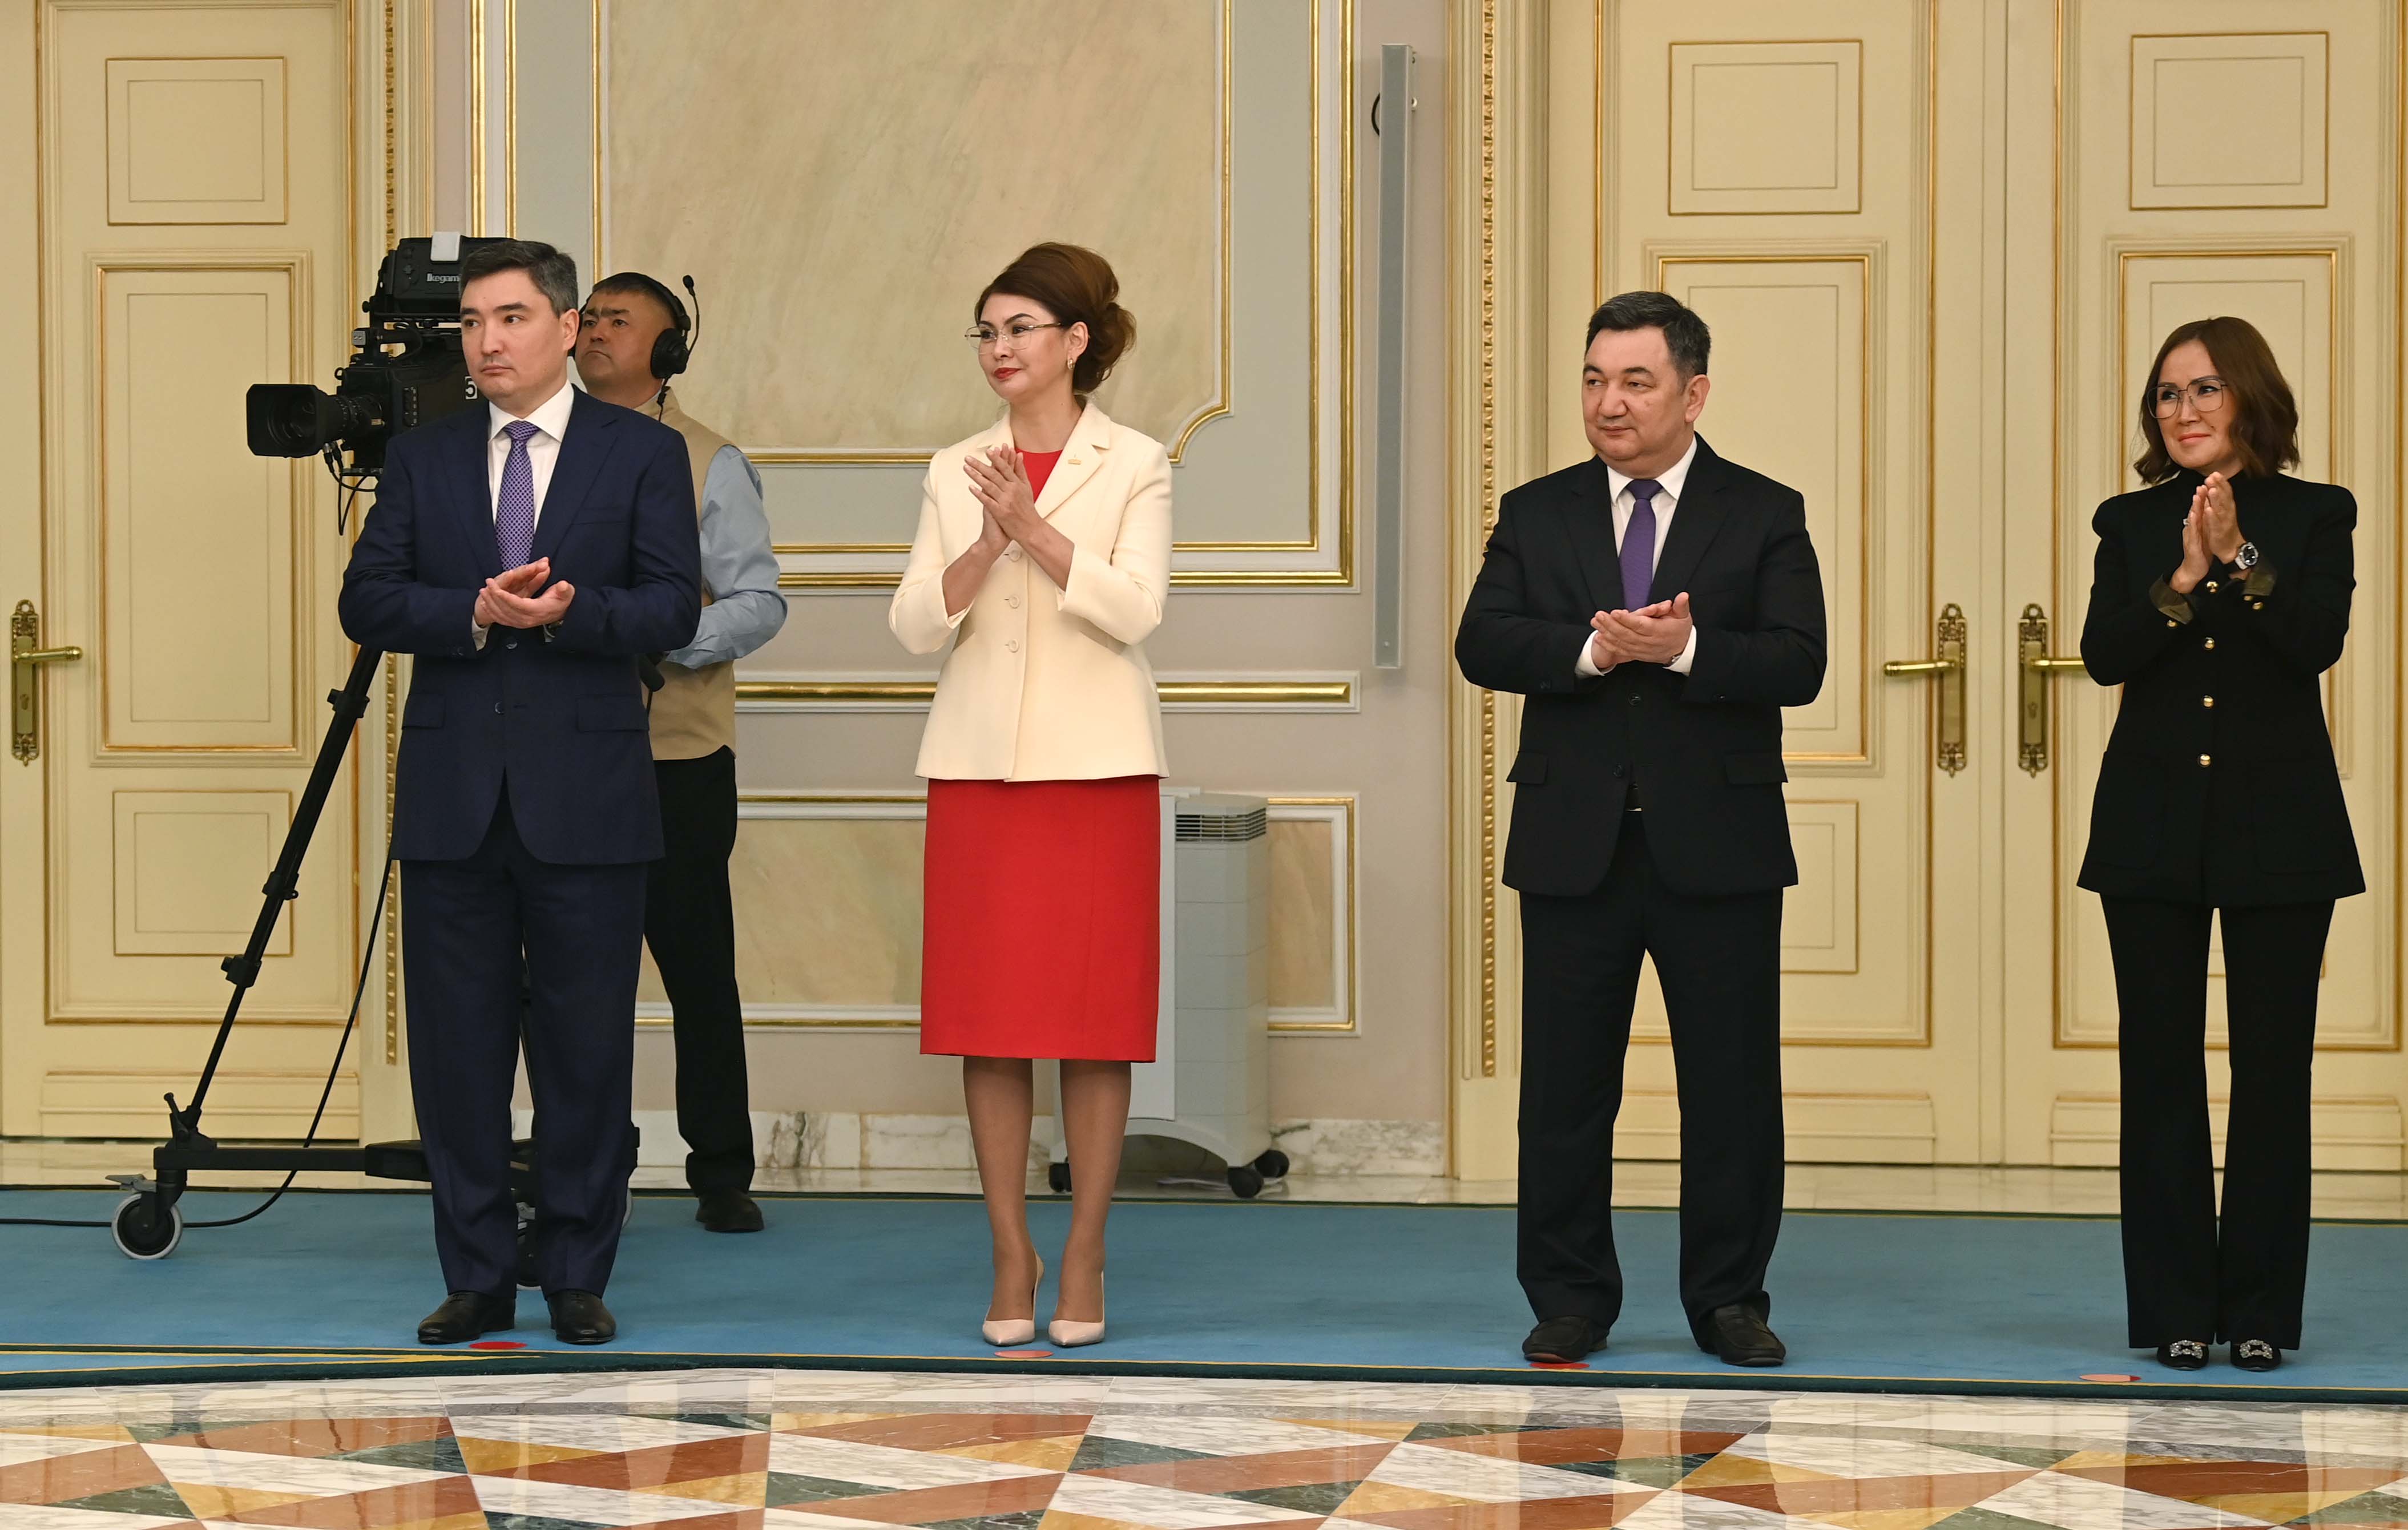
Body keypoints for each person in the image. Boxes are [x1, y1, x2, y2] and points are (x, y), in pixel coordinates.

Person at [1454, 289, 1826, 1369]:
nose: (1608, 402)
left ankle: (1729, 1300)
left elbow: (1800, 660)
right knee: (1564, 1093)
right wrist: (1593, 651)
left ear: (1692, 393)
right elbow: (1484, 642)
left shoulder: (1764, 511)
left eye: (1634, 381)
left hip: (1720, 843)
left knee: (1731, 1091)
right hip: (1574, 843)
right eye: (1593, 379)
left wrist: (1686, 651)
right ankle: (1571, 1298)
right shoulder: (1537, 512)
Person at [339, 239, 701, 1347]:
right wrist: (475, 611)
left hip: (589, 797)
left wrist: (574, 613)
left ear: (565, 327)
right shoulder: (426, 457)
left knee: (586, 1049)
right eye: (471, 324)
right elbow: (369, 601)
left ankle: (578, 1271)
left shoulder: (641, 454)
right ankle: (478, 1276)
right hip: (454, 798)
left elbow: (672, 608)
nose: (486, 342)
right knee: (458, 1054)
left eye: (510, 319)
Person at [889, 243, 1168, 1351]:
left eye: (1019, 329)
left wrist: (1037, 529)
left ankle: (1086, 1247)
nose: (998, 349)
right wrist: (986, 540)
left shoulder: (1134, 461)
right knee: (991, 1025)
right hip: (978, 771)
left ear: (1076, 341)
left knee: (1095, 1028)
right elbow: (916, 623)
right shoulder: (956, 465)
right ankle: (1012, 1249)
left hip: (1097, 771)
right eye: (987, 331)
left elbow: (1136, 609)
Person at [2077, 316, 2360, 1375]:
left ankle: (2261, 1311)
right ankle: (2175, 1309)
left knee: (2274, 1070)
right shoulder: (2128, 520)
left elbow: (2312, 642)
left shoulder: (2318, 514)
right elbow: (2106, 655)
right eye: (2167, 393)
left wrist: (2240, 554)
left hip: (2281, 826)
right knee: (2158, 1068)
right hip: (2150, 823)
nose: (2183, 410)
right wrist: (2185, 574)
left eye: (2204, 389)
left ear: (2248, 396)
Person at [578, 272, 789, 1234]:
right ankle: (589, 1166)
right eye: (587, 317)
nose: (594, 331)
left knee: (697, 968)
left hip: (677, 760)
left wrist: (657, 636)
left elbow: (757, 602)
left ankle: (722, 1169)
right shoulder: (539, 453)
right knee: (575, 976)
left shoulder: (710, 461)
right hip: (565, 752)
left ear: (668, 351)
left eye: (618, 320)